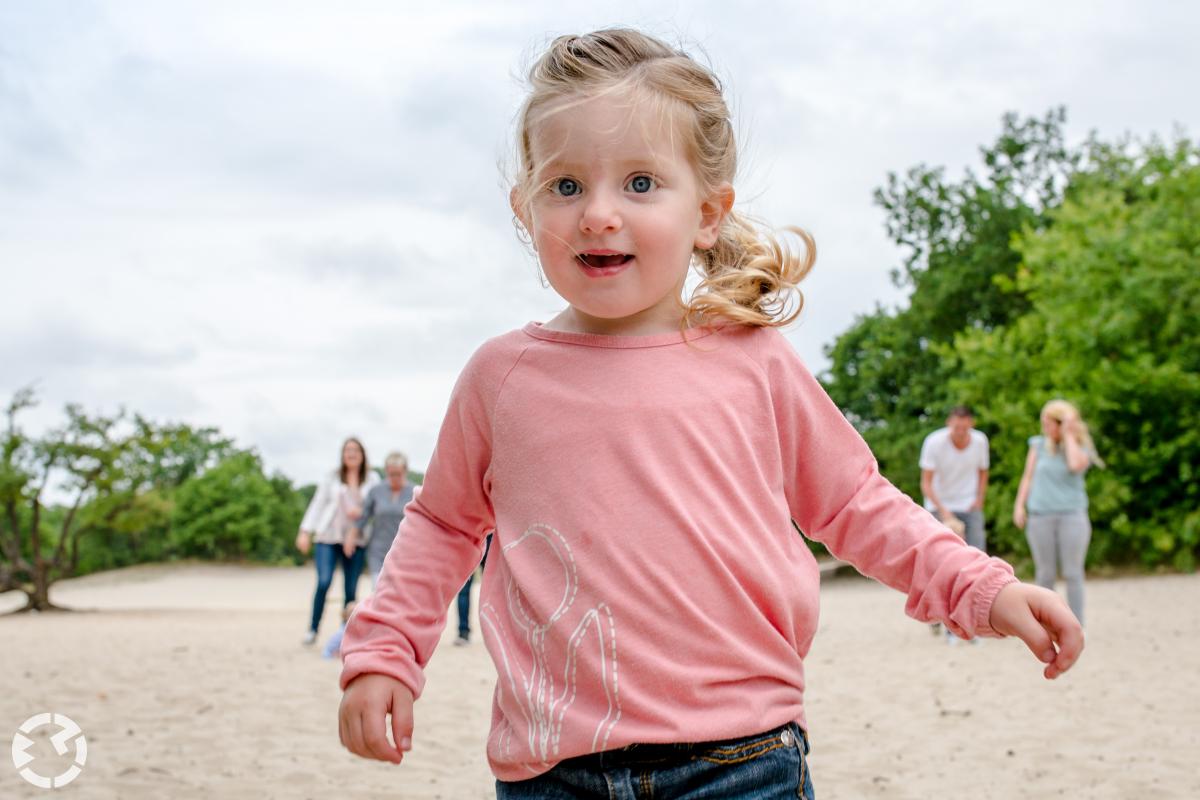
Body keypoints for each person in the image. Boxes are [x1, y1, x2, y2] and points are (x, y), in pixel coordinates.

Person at [337, 29, 1083, 799]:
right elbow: (443, 524)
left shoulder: (751, 363)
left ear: (708, 214)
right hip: (551, 770)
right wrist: (387, 648)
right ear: (524, 208)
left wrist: (977, 588)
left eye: (639, 183)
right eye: (564, 187)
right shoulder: (502, 377)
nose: (597, 214)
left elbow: (858, 502)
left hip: (742, 759)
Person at [1013, 399, 1103, 626]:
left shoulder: (1081, 448)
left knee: (1073, 572)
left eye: (1049, 423)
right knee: (1045, 573)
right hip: (1040, 516)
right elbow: (1028, 476)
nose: (1044, 427)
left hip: (1071, 515)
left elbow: (1075, 465)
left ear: (1061, 423)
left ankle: (1076, 624)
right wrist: (1019, 505)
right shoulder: (1038, 445)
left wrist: (1068, 435)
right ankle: (1047, 622)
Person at [296, 437, 378, 645]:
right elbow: (318, 504)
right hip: (328, 537)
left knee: (351, 589)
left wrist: (361, 512)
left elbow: (376, 507)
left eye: (355, 450)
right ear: (342, 455)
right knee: (324, 582)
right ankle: (313, 629)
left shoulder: (372, 479)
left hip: (357, 540)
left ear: (362, 455)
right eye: (347, 450)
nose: (351, 454)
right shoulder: (331, 477)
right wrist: (305, 531)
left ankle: (345, 633)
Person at [919, 406, 990, 552]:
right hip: (939, 504)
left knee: (977, 551)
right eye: (957, 427)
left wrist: (979, 499)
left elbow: (983, 471)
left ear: (972, 424)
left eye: (964, 427)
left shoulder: (980, 441)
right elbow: (926, 483)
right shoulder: (934, 442)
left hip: (969, 503)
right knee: (940, 552)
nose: (960, 431)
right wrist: (942, 510)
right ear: (949, 423)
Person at [356, 451, 415, 588]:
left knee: (400, 592)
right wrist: (351, 537)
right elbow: (363, 517)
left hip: (405, 552)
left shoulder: (415, 492)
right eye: (391, 474)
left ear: (405, 471)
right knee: (378, 589)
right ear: (386, 472)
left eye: (398, 474)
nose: (394, 478)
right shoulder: (376, 491)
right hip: (378, 550)